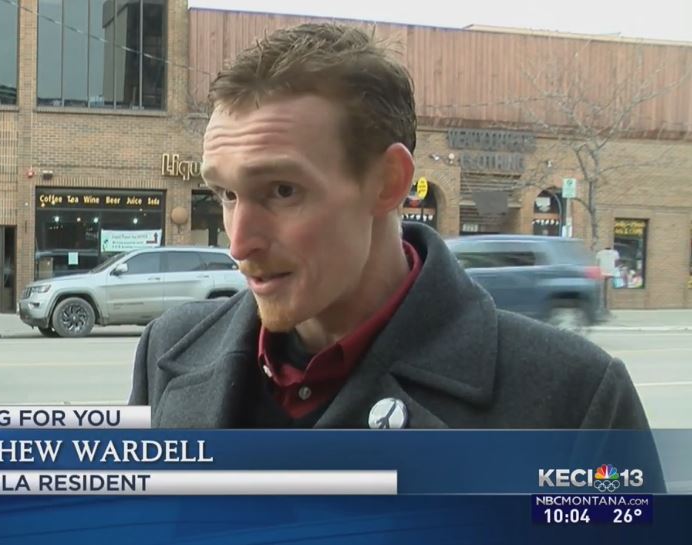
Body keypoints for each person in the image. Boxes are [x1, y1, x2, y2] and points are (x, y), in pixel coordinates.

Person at [129, 23, 649, 429]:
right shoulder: (168, 349)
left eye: (283, 190)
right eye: (226, 194)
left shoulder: (574, 398)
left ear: (388, 182)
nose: (240, 243)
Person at [595, 245, 620, 312]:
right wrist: (616, 271)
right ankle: (607, 306)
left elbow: (597, 263)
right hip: (611, 273)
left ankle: (601, 306)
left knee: (601, 291)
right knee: (608, 291)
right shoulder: (615, 253)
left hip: (602, 273)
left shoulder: (599, 253)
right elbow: (617, 263)